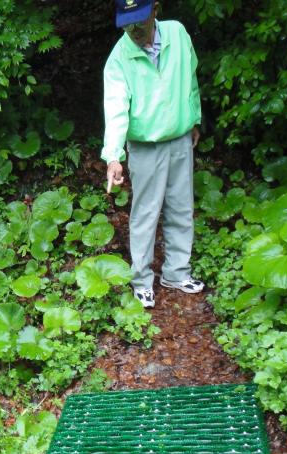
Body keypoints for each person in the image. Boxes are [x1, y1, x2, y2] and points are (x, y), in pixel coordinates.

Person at [102, 0, 204, 308]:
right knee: (146, 214)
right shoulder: (120, 57)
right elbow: (116, 107)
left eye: (138, 21)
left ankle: (176, 272)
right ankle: (142, 281)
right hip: (146, 146)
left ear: (154, 10)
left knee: (181, 207)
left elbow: (191, 78)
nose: (133, 29)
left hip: (180, 137)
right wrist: (114, 156)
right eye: (127, 23)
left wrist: (194, 118)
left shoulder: (177, 34)